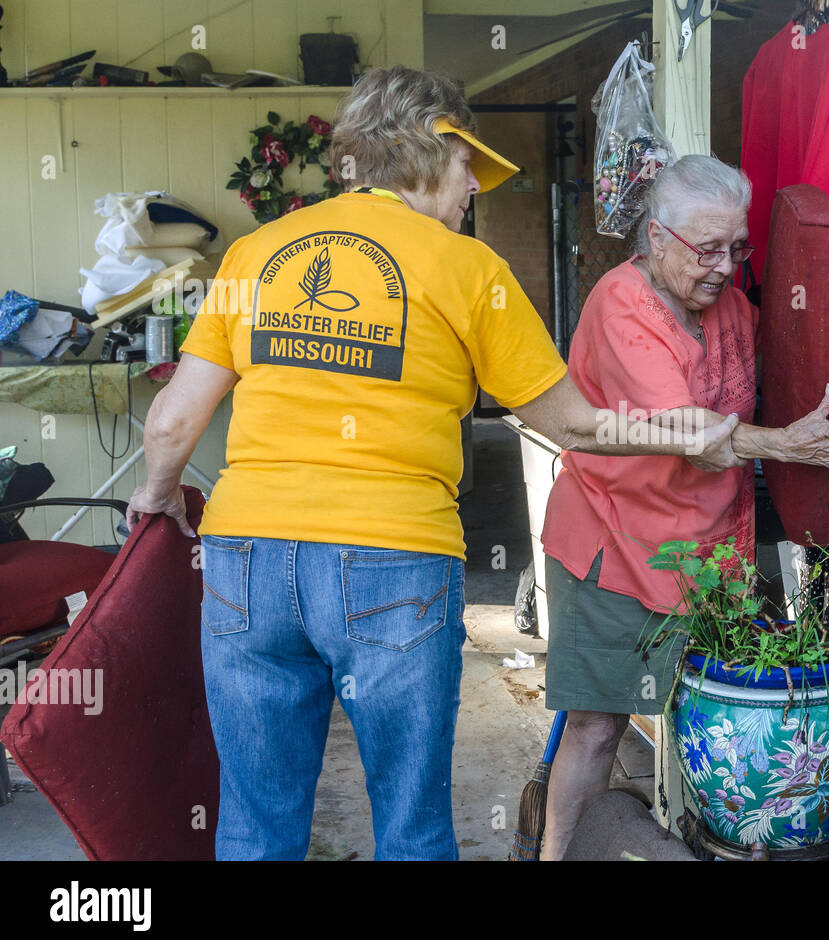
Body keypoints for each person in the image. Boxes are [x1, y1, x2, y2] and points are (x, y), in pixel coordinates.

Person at [125, 67, 745, 861]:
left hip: (248, 561)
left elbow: (174, 421)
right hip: (394, 563)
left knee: (254, 823)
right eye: (468, 171)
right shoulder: (467, 269)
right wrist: (684, 434)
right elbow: (574, 423)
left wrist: (157, 497)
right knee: (412, 827)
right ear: (436, 144)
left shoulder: (258, 252)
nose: (470, 194)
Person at [538, 155, 829, 860]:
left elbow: (782, 354)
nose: (727, 265)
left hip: (709, 550)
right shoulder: (622, 307)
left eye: (738, 247)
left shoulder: (724, 300)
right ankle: (553, 855)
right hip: (616, 544)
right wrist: (792, 444)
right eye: (708, 249)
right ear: (657, 239)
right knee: (597, 726)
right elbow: (691, 438)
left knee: (711, 720)